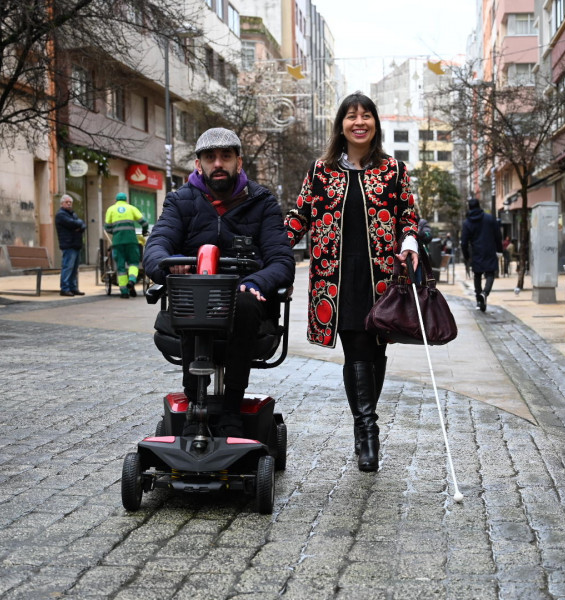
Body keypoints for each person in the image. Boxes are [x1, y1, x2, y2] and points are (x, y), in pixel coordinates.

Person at [284, 92, 420, 472]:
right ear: (340, 125)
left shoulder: (394, 170)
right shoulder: (321, 170)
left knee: (376, 355)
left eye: (366, 116)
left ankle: (364, 430)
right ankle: (368, 433)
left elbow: (408, 216)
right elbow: (301, 214)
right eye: (351, 116)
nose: (359, 122)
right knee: (358, 351)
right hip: (336, 281)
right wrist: (274, 247)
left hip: (382, 281)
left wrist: (409, 241)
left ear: (376, 123)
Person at [144, 127, 295, 437]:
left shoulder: (263, 201)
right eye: (210, 157)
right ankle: (193, 405)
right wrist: (170, 268)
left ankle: (231, 412)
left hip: (247, 307)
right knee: (194, 295)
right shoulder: (179, 201)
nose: (218, 164)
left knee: (241, 299)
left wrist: (255, 281)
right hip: (194, 304)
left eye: (225, 157)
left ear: (238, 162)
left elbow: (281, 261)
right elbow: (157, 247)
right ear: (198, 164)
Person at [461, 197, 502, 312]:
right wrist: (499, 250)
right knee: (490, 274)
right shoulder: (490, 219)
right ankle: (485, 293)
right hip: (489, 250)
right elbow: (498, 235)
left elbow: (464, 242)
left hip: (476, 252)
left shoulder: (467, 223)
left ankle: (479, 300)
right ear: (479, 206)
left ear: (469, 207)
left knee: (477, 275)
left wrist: (466, 256)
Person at [104, 192, 148, 298]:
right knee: (133, 263)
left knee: (120, 267)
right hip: (131, 241)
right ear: (126, 200)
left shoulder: (111, 209)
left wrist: (115, 232)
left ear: (116, 200)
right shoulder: (131, 208)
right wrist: (144, 232)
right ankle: (132, 280)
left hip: (117, 242)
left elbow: (107, 227)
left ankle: (124, 292)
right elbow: (144, 222)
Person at [55, 194, 86, 296]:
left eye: (70, 202)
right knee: (68, 267)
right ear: (62, 204)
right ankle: (65, 288)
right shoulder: (61, 215)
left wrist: (78, 224)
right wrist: (78, 224)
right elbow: (72, 224)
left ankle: (73, 288)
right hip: (68, 244)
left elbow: (82, 225)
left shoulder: (73, 214)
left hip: (75, 244)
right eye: (66, 202)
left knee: (74, 269)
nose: (69, 204)